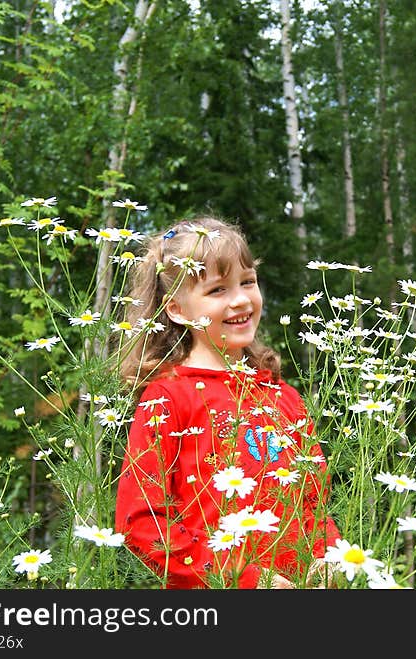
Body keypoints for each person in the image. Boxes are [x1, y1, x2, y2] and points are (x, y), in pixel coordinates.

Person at [114, 215, 340, 589]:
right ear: (176, 309)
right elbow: (142, 523)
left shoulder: (284, 398)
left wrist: (331, 559)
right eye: (217, 290)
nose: (240, 300)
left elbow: (313, 507)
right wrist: (241, 578)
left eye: (247, 282)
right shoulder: (168, 398)